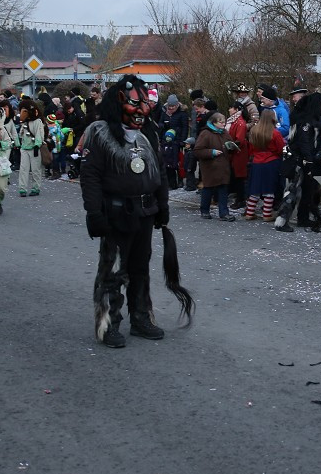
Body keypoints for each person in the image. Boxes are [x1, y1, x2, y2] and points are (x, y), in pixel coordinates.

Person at [80, 76, 190, 348]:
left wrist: (162, 205)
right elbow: (90, 176)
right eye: (134, 104)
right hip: (116, 213)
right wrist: (94, 213)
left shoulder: (146, 134)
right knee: (113, 270)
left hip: (144, 212)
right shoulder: (100, 132)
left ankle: (141, 317)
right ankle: (108, 323)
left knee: (140, 268)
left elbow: (160, 172)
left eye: (145, 103)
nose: (142, 110)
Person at [277, 91, 321, 232]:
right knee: (293, 191)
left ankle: (302, 218)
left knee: (306, 189)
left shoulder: (302, 118)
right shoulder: (305, 122)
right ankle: (281, 221)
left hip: (300, 160)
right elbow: (304, 142)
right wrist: (309, 160)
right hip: (299, 161)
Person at [194, 112, 237, 221]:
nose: (223, 124)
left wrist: (232, 147)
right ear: (213, 122)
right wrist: (211, 152)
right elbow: (198, 151)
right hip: (210, 167)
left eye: (224, 121)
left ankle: (224, 213)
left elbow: (230, 144)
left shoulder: (224, 133)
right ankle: (204, 210)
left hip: (223, 167)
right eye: (220, 122)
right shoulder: (205, 133)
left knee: (223, 190)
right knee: (208, 189)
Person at [244, 109, 285, 222]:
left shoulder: (254, 130)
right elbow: (280, 148)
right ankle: (267, 214)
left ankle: (249, 212)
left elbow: (251, 148)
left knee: (255, 188)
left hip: (257, 161)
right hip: (271, 162)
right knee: (269, 189)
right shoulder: (275, 133)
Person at [17, 98, 45, 197]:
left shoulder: (38, 122)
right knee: (23, 169)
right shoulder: (25, 122)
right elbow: (21, 134)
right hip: (24, 147)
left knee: (35, 169)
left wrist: (37, 145)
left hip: (34, 148)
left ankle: (35, 187)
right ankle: (22, 188)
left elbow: (39, 134)